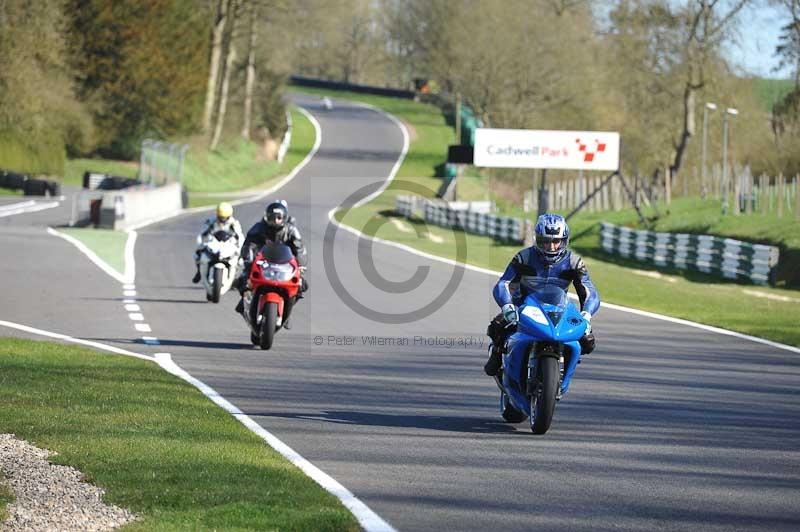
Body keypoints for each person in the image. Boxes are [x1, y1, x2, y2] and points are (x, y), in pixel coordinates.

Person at [484, 213, 599, 376]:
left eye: (555, 241)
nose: (551, 247)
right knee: (497, 327)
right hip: (523, 305)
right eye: (545, 241)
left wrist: (586, 315)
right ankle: (496, 355)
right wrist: (508, 307)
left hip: (558, 307)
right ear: (537, 239)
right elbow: (504, 283)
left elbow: (589, 291)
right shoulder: (524, 257)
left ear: (564, 240)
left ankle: (563, 370)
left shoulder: (574, 262)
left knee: (588, 341)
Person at [234, 200, 308, 324]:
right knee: (243, 280)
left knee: (301, 285)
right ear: (267, 217)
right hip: (262, 263)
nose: (275, 221)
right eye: (272, 217)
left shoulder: (291, 230)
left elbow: (299, 250)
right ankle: (244, 302)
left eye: (279, 218)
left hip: (283, 266)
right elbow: (248, 246)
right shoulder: (258, 228)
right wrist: (248, 260)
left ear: (284, 218)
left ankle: (287, 311)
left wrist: (300, 267)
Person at [192, 202, 244, 284]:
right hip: (214, 243)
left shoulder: (234, 223)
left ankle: (235, 276)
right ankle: (199, 271)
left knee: (241, 260)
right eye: (220, 217)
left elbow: (240, 236)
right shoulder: (211, 221)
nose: (222, 220)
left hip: (228, 245)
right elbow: (202, 233)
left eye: (224, 218)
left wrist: (239, 247)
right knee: (197, 255)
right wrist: (200, 244)